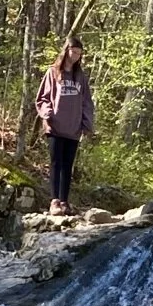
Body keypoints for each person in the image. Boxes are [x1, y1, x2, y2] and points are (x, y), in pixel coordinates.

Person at [36, 35, 94, 217]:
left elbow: (86, 102)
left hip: (74, 128)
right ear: (66, 50)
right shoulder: (53, 73)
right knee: (56, 162)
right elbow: (43, 98)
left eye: (79, 53)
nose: (76, 56)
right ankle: (54, 201)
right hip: (55, 126)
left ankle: (64, 201)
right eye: (73, 52)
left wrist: (86, 123)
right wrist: (48, 114)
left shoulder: (80, 77)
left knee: (68, 165)